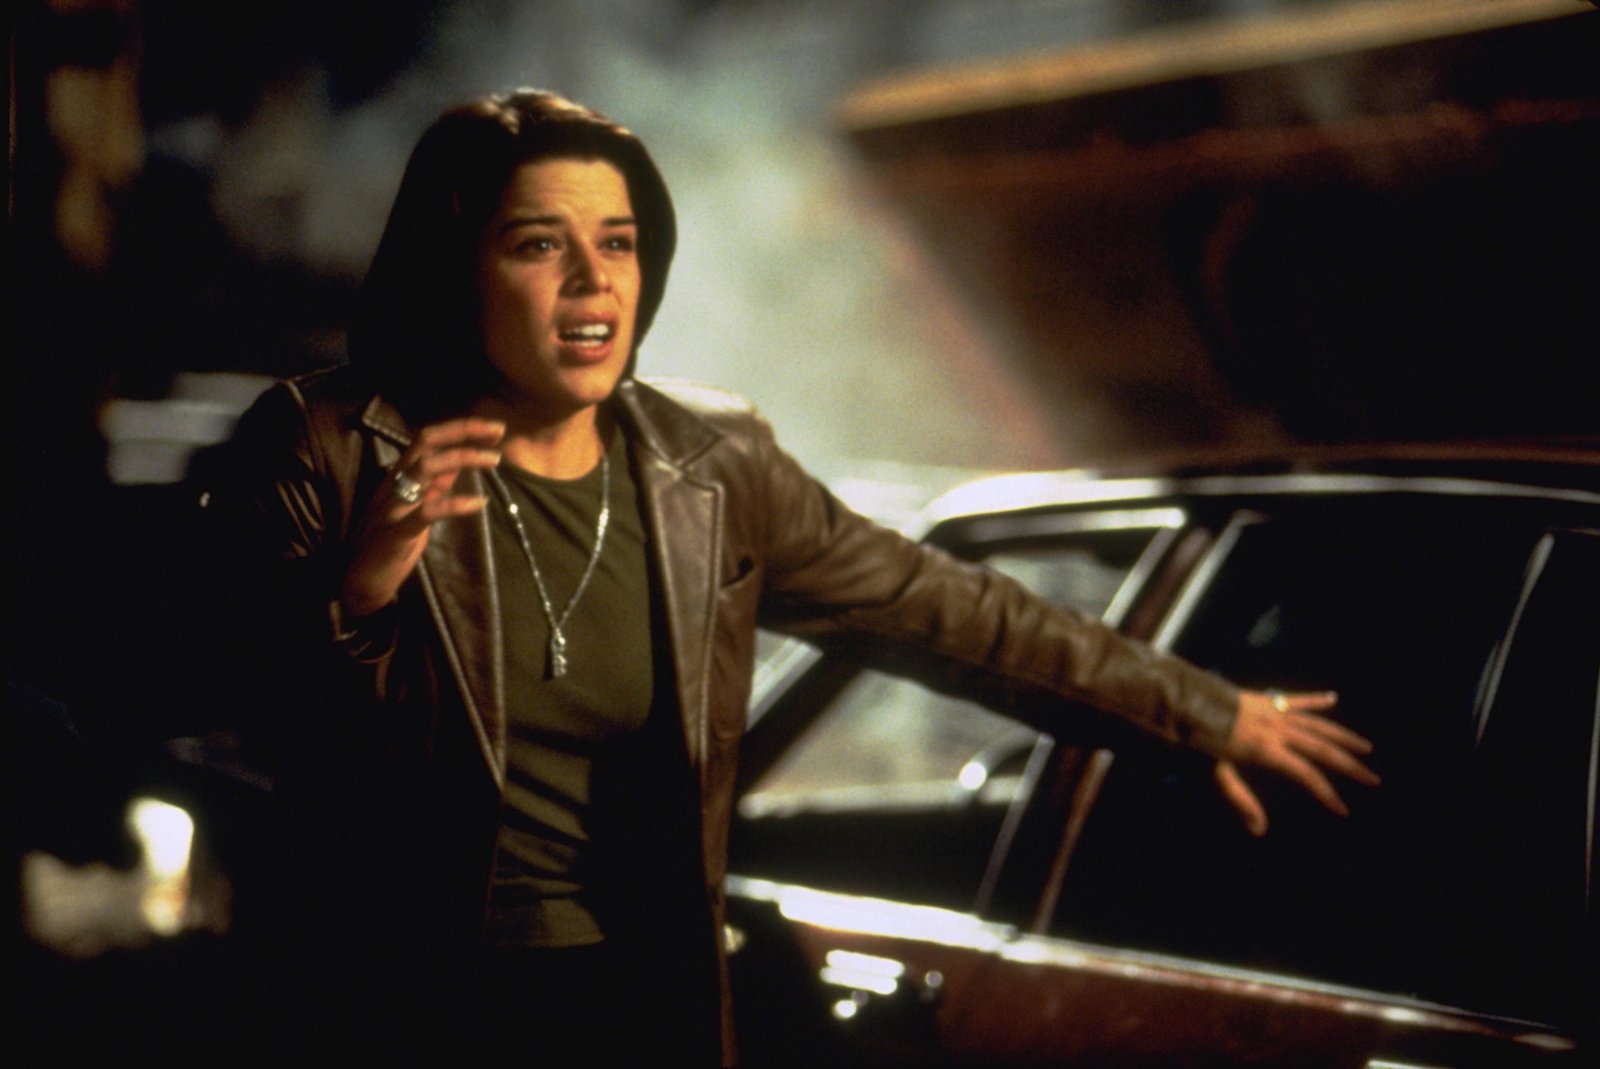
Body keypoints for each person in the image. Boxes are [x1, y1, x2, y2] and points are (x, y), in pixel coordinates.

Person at [219, 89, 1378, 1065]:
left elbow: (949, 612)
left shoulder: (709, 464)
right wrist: (360, 592)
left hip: (635, 1008)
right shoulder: (329, 444)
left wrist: (1198, 710)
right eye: (537, 245)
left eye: (616, 242)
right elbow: (237, 715)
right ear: (455, 267)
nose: (591, 283)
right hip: (399, 1011)